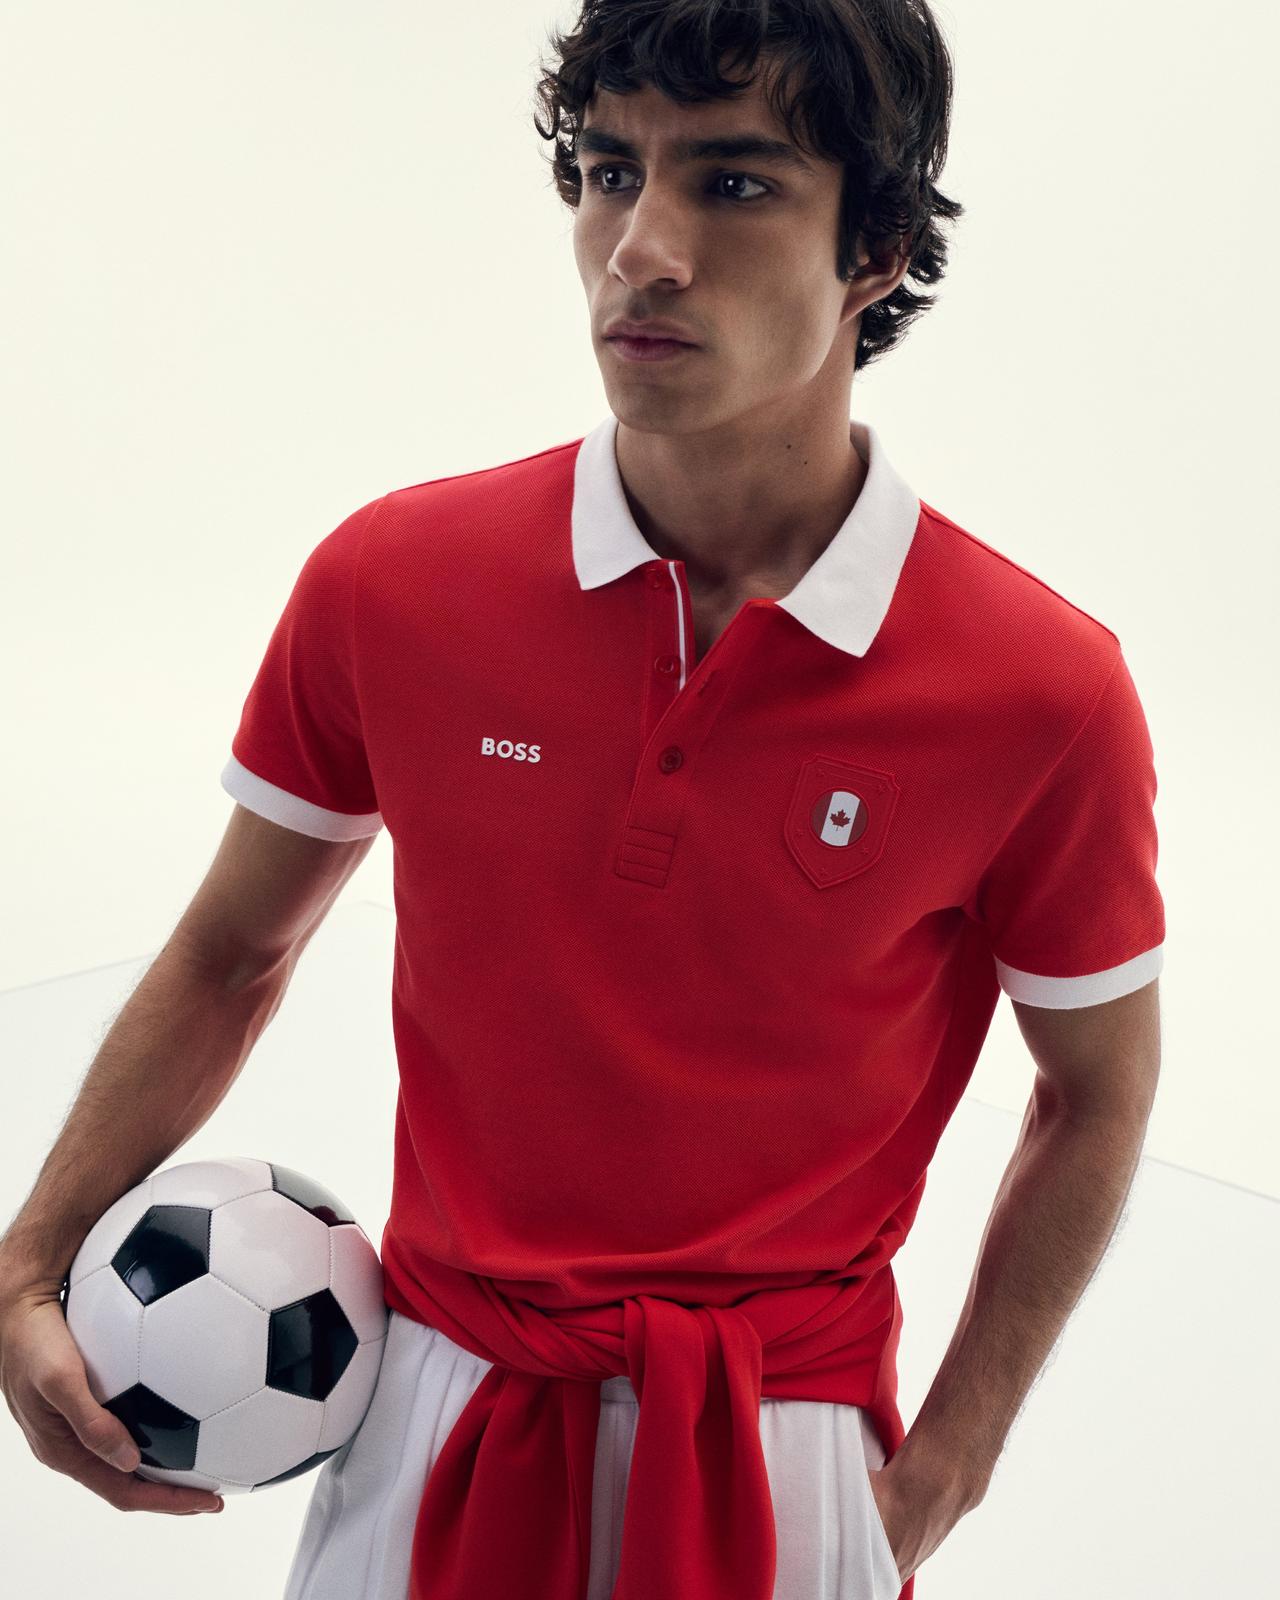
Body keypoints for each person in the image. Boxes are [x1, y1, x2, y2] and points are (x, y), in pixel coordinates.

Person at [0, 3, 1165, 1598]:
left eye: (736, 185)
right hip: (427, 1421)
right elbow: (231, 953)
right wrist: (30, 1258)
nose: (643, 248)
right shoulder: (393, 587)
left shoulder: (1044, 692)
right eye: (611, 172)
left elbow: (1094, 1089)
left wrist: (940, 1474)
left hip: (781, 1454)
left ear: (876, 249)